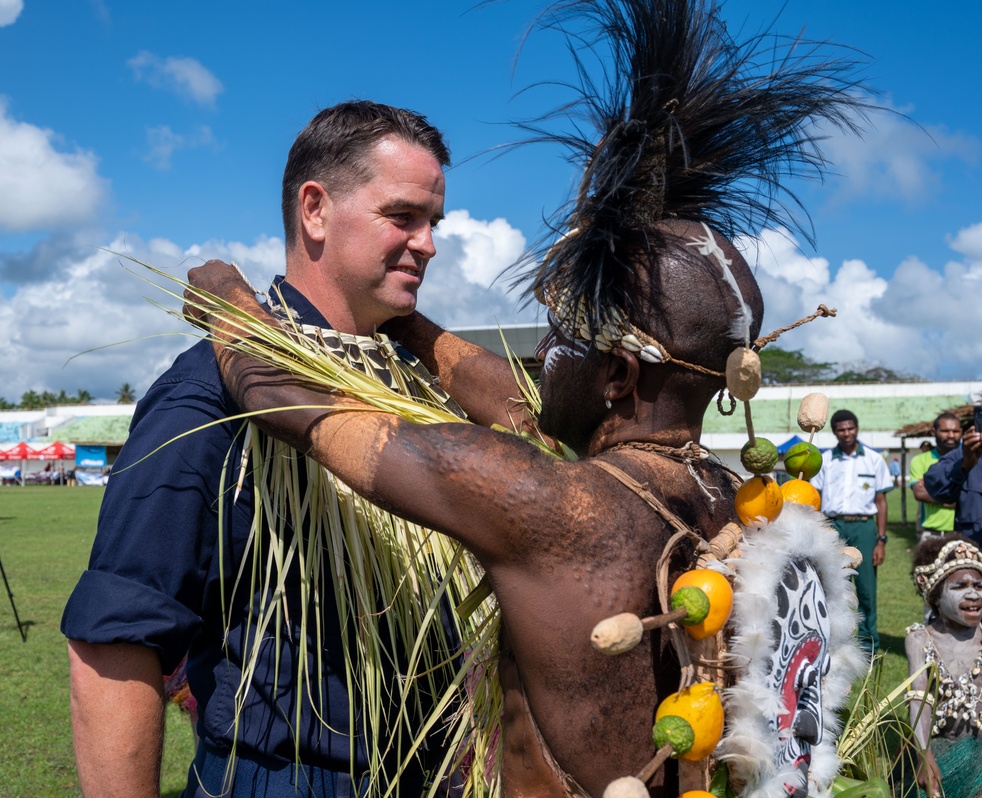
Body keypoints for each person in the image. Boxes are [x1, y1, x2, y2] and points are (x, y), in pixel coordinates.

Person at [183, 0, 870, 792]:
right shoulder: (732, 501)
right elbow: (519, 403)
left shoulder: (555, 507)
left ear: (619, 377)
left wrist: (232, 306)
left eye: (562, 338)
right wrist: (408, 325)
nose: (542, 353)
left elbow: (299, 405)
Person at [61, 101, 465, 798]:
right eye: (403, 217)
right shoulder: (203, 399)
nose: (427, 243)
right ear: (315, 210)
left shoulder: (411, 389)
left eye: (434, 224)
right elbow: (114, 643)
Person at [904, 534, 982, 798]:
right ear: (935, 595)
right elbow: (918, 699)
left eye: (978, 586)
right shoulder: (920, 641)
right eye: (960, 586)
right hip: (940, 753)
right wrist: (923, 754)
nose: (973, 593)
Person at [810, 409, 894, 653]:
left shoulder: (873, 459)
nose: (846, 433)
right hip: (834, 526)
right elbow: (816, 497)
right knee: (829, 584)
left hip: (864, 527)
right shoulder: (825, 460)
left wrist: (881, 540)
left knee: (866, 588)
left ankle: (869, 644)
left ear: (857, 428)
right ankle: (830, 640)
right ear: (835, 431)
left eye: (850, 428)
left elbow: (881, 502)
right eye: (841, 429)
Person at [925, 383, 982, 633]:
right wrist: (965, 463)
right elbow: (934, 483)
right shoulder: (967, 452)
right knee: (973, 666)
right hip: (972, 587)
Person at [910, 413, 962, 541]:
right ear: (934, 432)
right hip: (931, 533)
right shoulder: (920, 460)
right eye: (945, 431)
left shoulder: (969, 459)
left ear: (961, 432)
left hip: (962, 532)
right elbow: (920, 494)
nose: (951, 435)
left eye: (955, 431)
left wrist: (934, 490)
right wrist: (956, 499)